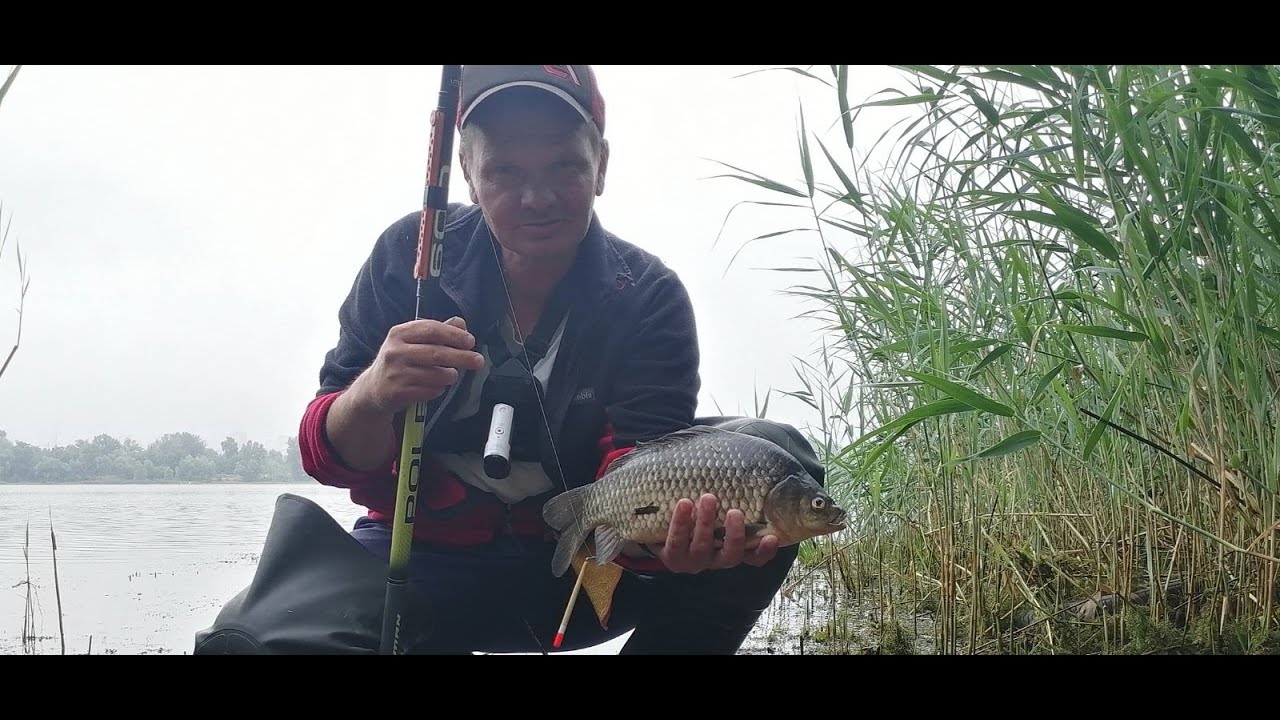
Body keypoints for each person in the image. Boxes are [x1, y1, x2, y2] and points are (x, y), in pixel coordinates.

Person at [281, 65, 825, 654]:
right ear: (466, 171)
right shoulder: (409, 259)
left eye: (563, 166)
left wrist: (674, 542)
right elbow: (328, 457)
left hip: (580, 575)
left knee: (778, 457)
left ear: (602, 165)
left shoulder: (645, 295)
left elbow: (638, 462)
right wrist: (371, 395)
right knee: (260, 630)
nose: (536, 199)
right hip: (418, 571)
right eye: (506, 171)